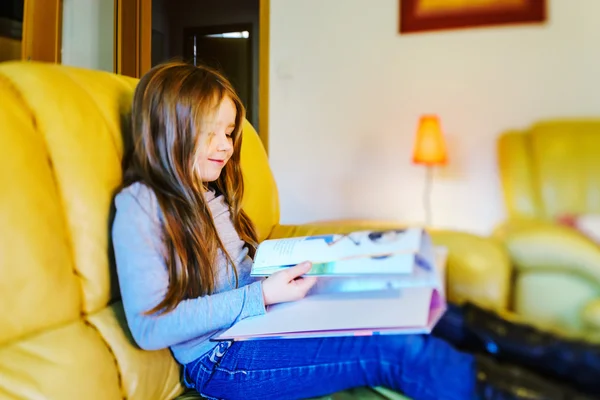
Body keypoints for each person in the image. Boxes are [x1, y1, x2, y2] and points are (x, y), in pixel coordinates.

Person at [111, 62, 589, 400]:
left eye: (230, 132)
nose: (226, 147)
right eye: (210, 132)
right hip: (223, 360)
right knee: (395, 348)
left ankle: (579, 367)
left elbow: (236, 273)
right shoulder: (140, 206)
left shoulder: (209, 193)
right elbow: (152, 326)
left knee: (424, 306)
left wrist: (309, 262)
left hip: (261, 321)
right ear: (168, 127)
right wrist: (261, 297)